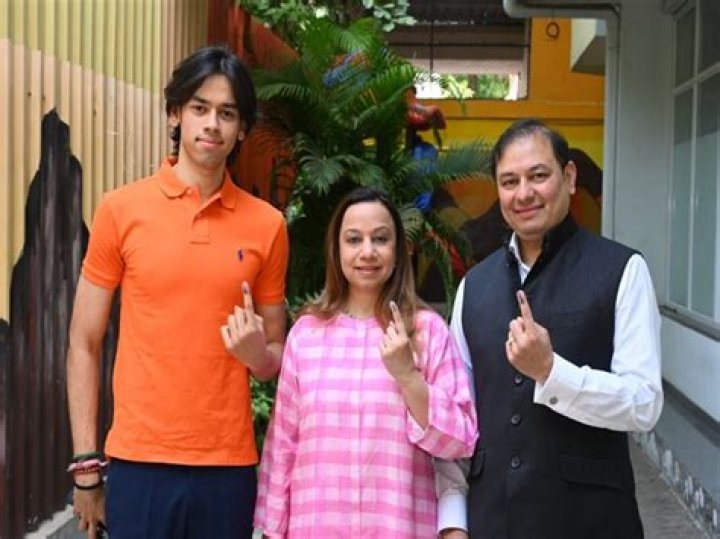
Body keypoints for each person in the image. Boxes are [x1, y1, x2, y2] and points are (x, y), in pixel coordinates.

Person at [66, 45, 289, 539]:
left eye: (227, 113)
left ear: (242, 129)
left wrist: (257, 354)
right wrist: (86, 467)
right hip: (138, 460)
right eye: (199, 108)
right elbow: (84, 342)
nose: (212, 124)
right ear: (175, 113)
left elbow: (275, 356)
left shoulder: (268, 225)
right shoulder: (121, 209)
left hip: (227, 466)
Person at [436, 118, 663, 539]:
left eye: (538, 176)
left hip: (591, 522)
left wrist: (552, 372)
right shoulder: (474, 286)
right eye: (509, 181)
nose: (524, 193)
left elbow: (644, 404)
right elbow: (457, 415)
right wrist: (452, 522)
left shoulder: (623, 270)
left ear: (570, 177)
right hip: (492, 521)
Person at [254, 186, 478, 538]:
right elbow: (283, 446)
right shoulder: (306, 335)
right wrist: (271, 531)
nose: (368, 252)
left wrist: (408, 377)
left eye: (381, 239)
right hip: (316, 526)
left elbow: (460, 440)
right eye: (354, 239)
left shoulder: (427, 331)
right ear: (336, 250)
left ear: (399, 250)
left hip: (399, 526)